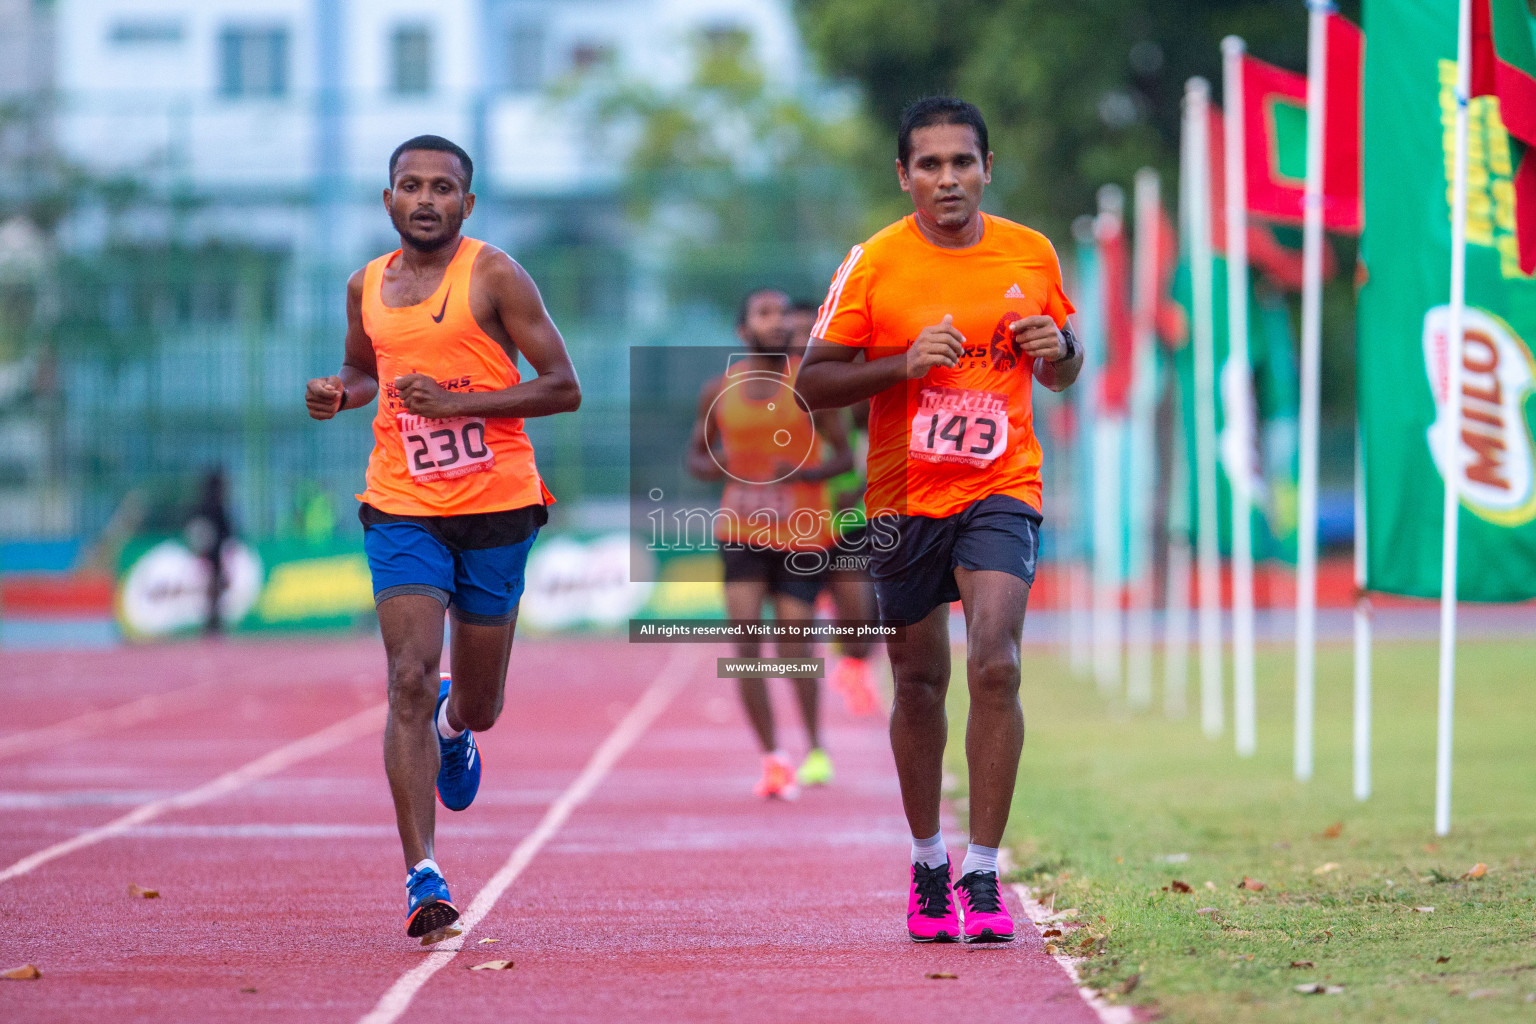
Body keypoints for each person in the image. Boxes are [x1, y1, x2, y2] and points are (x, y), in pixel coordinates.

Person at [796, 98, 1082, 944]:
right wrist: (902, 363)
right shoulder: (875, 262)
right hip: (901, 498)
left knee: (996, 664)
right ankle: (928, 859)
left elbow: (1066, 369)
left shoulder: (1030, 252)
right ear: (904, 175)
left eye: (963, 162)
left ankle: (985, 873)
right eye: (930, 165)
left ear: (987, 167)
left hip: (1001, 487)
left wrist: (1058, 351)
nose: (948, 178)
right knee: (918, 682)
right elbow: (811, 383)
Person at [304, 135, 580, 943]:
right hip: (401, 503)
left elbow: (563, 388)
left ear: (468, 202)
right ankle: (422, 873)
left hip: (495, 503)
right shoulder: (365, 286)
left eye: (443, 187)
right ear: (388, 200)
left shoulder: (494, 275)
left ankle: (457, 733)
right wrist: (339, 391)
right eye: (409, 186)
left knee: (478, 704)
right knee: (408, 680)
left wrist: (457, 407)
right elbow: (366, 372)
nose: (425, 199)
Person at [686, 288, 852, 799]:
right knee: (746, 640)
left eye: (783, 313)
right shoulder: (719, 389)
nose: (779, 321)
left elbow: (845, 459)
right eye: (765, 313)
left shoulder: (810, 386)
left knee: (794, 640)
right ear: (743, 330)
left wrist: (803, 471)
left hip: (803, 531)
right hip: (740, 530)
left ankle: (815, 744)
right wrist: (717, 467)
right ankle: (773, 758)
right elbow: (695, 456)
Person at [788, 299, 881, 717]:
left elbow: (872, 435)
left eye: (812, 332)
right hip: (791, 522)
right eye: (797, 334)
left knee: (860, 611)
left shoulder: (843, 380)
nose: (804, 342)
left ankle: (856, 664)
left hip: (846, 514)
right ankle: (810, 723)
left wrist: (861, 484)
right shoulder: (764, 386)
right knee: (795, 623)